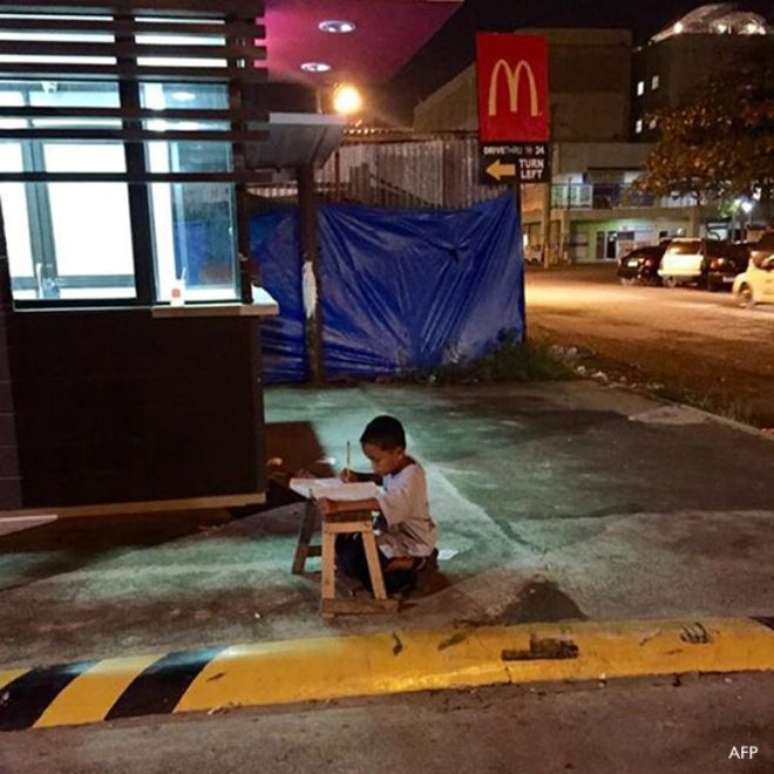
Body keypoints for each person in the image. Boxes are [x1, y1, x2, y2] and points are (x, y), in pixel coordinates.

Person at [317, 415, 438, 595]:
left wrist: (337, 506)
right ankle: (398, 563)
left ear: (398, 452)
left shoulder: (412, 477)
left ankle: (418, 563)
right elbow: (382, 478)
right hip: (393, 536)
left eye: (376, 460)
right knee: (345, 551)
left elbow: (380, 504)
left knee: (375, 578)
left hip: (412, 543)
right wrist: (358, 476)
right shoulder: (397, 465)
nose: (374, 467)